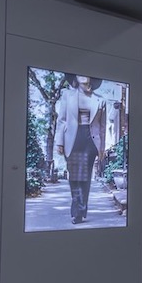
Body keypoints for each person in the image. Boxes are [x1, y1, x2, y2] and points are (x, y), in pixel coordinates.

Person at [55, 75, 106, 224]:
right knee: (74, 177)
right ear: (75, 77)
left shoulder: (100, 100)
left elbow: (102, 128)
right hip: (72, 139)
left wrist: (102, 148)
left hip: (91, 140)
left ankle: (78, 212)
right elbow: (62, 120)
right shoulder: (67, 95)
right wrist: (59, 142)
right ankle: (78, 208)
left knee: (85, 177)